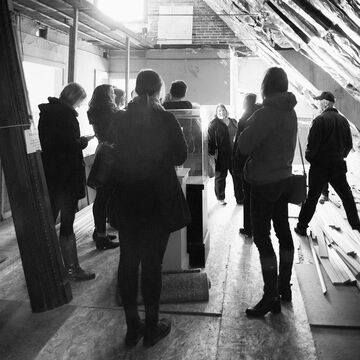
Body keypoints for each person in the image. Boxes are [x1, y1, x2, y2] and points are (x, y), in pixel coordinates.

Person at [108, 69, 187, 348]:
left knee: (128, 263)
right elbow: (180, 155)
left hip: (128, 198)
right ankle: (151, 327)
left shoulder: (120, 118)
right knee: (152, 266)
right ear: (159, 90)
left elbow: (113, 150)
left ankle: (132, 328)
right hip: (157, 199)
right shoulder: (165, 117)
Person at [238, 67, 297, 316]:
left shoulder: (266, 113)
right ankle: (284, 288)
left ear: (266, 86)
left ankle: (270, 295)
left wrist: (250, 120)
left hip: (263, 182)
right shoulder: (290, 111)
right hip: (283, 178)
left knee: (262, 237)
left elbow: (243, 145)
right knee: (283, 231)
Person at [38, 83, 95, 281]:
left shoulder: (46, 113)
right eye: (80, 101)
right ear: (76, 98)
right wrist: (83, 141)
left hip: (51, 174)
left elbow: (50, 143)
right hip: (67, 176)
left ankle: (43, 268)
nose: (80, 106)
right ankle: (71, 268)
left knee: (48, 220)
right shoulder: (66, 116)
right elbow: (70, 145)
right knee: (67, 223)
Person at [294, 91, 360, 235]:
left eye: (319, 101)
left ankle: (302, 226)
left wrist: (311, 158)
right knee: (347, 196)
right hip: (338, 165)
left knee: (312, 197)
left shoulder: (319, 120)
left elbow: (312, 146)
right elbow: (349, 145)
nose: (318, 104)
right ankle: (356, 225)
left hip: (320, 167)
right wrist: (339, 156)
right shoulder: (343, 121)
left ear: (325, 103)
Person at [87, 84, 120, 250]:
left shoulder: (94, 110)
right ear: (107, 95)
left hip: (102, 150)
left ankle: (99, 231)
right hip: (111, 155)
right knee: (104, 197)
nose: (114, 95)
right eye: (112, 92)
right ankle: (101, 237)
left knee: (102, 196)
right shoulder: (111, 112)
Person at [233, 94, 261, 237]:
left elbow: (239, 144)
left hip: (247, 163)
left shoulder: (244, 119)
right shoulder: (262, 115)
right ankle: (260, 228)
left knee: (248, 197)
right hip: (262, 161)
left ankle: (249, 228)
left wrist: (236, 164)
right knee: (260, 198)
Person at [208, 104, 243, 205]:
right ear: (216, 113)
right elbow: (210, 140)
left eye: (223, 110)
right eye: (219, 111)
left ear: (226, 111)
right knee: (220, 177)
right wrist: (211, 153)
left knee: (237, 177)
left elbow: (240, 134)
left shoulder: (234, 122)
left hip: (235, 155)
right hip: (221, 155)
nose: (222, 112)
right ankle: (220, 198)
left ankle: (240, 198)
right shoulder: (214, 124)